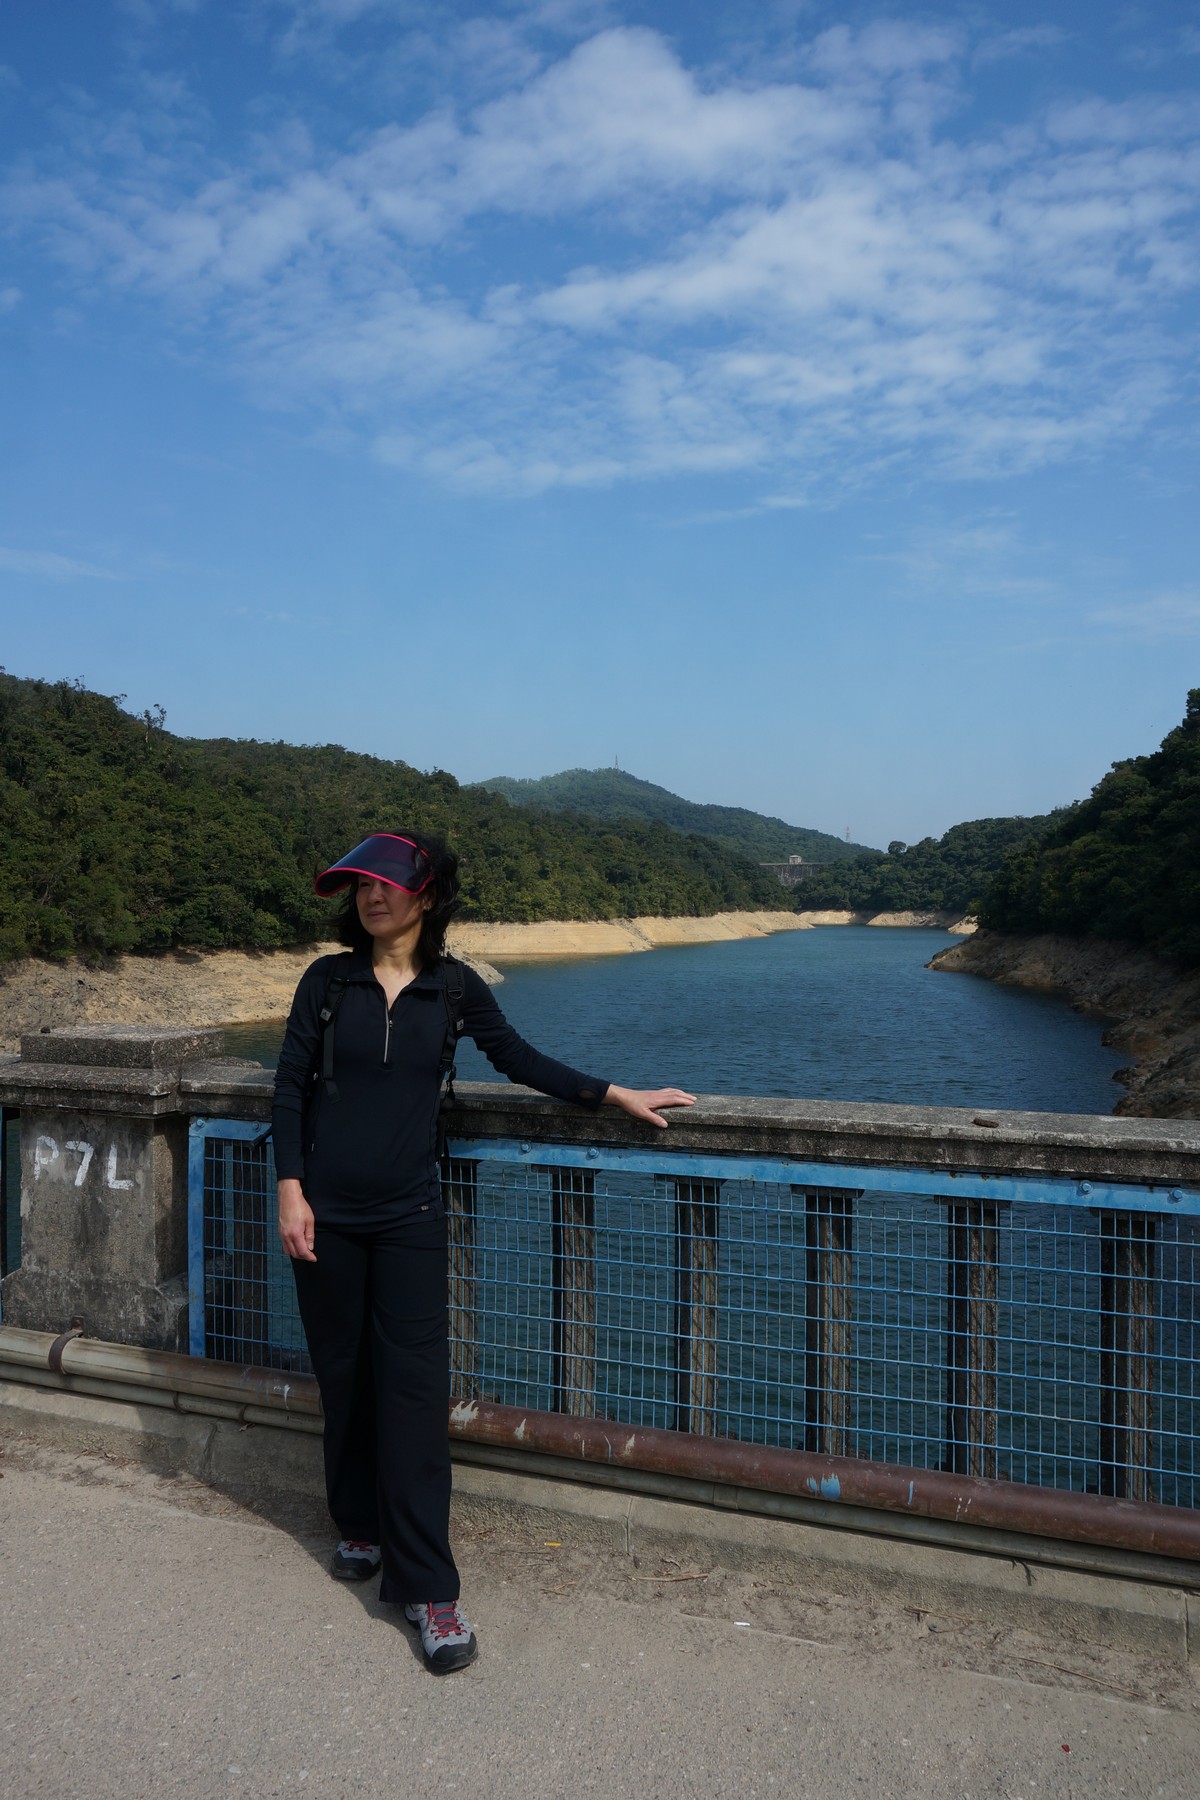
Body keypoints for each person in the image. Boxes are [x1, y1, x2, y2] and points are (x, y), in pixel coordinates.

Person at [272, 830, 695, 1675]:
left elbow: (518, 1058)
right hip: (325, 1215)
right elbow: (288, 1087)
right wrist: (290, 1189)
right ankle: (358, 1523)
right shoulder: (327, 981)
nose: (371, 897)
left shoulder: (453, 987)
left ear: (426, 896)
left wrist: (613, 1093)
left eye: (387, 885)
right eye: (360, 886)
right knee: (344, 1376)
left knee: (414, 1395)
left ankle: (429, 1589)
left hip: (409, 1217)